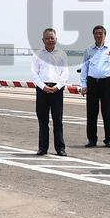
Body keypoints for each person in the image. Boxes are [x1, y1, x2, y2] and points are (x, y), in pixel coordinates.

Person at [79, 25, 110, 148]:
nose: (98, 35)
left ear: (105, 35)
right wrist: (83, 85)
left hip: (107, 83)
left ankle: (108, 139)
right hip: (92, 83)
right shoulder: (88, 50)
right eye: (96, 33)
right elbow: (84, 68)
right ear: (93, 35)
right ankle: (91, 139)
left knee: (107, 113)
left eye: (101, 33)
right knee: (91, 113)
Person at [32, 28, 69, 156]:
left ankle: (60, 148)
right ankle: (43, 148)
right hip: (42, 90)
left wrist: (57, 87)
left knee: (58, 120)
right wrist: (43, 87)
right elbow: (34, 74)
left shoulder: (62, 54)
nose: (50, 40)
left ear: (56, 39)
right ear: (43, 40)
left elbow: (65, 73)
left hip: (57, 90)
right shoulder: (37, 54)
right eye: (47, 38)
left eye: (52, 38)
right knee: (43, 120)